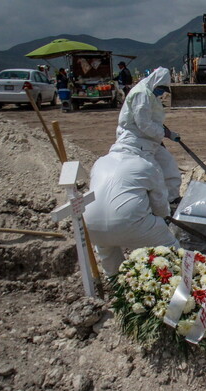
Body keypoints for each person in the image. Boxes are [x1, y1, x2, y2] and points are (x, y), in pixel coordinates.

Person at [83, 137, 179, 276]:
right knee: (170, 249)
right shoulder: (146, 165)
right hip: (130, 225)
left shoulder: (100, 162)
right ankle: (172, 285)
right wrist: (162, 220)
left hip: (92, 227)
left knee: (109, 258)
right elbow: (160, 206)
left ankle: (116, 286)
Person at [116, 67, 182, 203]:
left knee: (169, 165)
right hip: (135, 140)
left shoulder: (150, 93)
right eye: (161, 88)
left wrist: (167, 133)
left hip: (149, 138)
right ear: (155, 82)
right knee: (152, 173)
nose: (161, 92)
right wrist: (163, 133)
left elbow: (152, 119)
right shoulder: (141, 94)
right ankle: (156, 206)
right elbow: (143, 123)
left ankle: (172, 199)